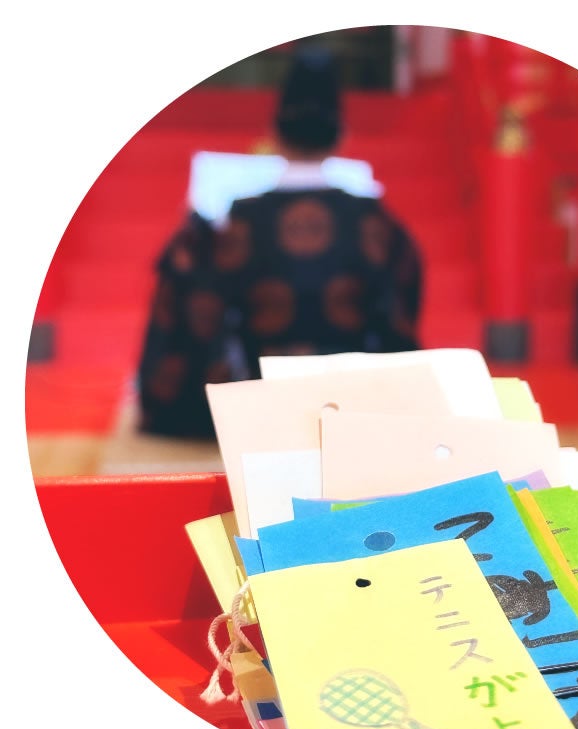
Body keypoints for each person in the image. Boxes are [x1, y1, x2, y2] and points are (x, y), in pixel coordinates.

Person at [136, 46, 423, 438]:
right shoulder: (374, 222)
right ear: (341, 136)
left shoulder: (239, 219)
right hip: (350, 397)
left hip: (261, 394)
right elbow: (400, 304)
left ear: (274, 135)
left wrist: (193, 231)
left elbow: (192, 291)